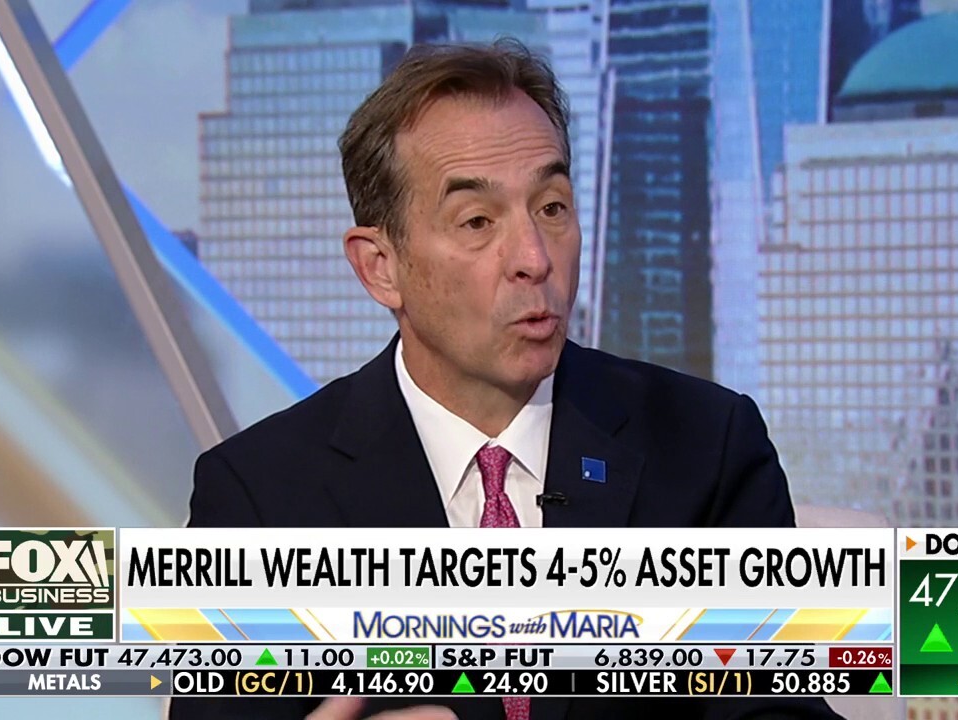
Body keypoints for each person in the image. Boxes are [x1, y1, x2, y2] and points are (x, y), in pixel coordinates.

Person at [171, 40, 842, 720]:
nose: (533, 258)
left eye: (552, 208)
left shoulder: (706, 448)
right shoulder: (260, 498)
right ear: (380, 267)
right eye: (477, 221)